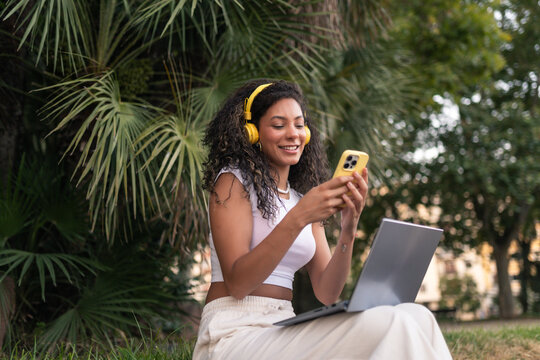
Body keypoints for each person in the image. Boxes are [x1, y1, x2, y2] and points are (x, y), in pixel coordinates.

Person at [193, 79, 452, 360]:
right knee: (392, 322)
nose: (293, 134)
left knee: (417, 315)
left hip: (281, 326)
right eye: (278, 125)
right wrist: (300, 217)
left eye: (299, 124)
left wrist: (348, 229)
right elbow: (238, 284)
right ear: (252, 132)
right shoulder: (233, 182)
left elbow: (328, 293)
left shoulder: (302, 200)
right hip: (235, 333)